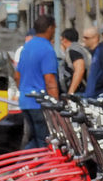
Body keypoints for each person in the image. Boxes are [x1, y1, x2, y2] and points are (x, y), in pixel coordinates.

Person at [14, 13, 59, 148]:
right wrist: (56, 104)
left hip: (25, 101)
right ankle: (37, 168)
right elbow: (50, 80)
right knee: (45, 142)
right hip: (40, 104)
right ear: (50, 28)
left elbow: (17, 76)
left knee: (34, 139)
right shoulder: (47, 49)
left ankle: (22, 166)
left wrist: (24, 91)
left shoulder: (26, 47)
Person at [84, 21, 103, 101]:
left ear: (95, 38)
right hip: (92, 94)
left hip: (100, 94)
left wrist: (97, 84)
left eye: (86, 38)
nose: (84, 40)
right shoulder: (92, 52)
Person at [59, 27, 88, 95]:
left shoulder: (73, 51)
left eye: (61, 40)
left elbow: (79, 70)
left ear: (65, 40)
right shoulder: (79, 48)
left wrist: (70, 92)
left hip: (79, 92)